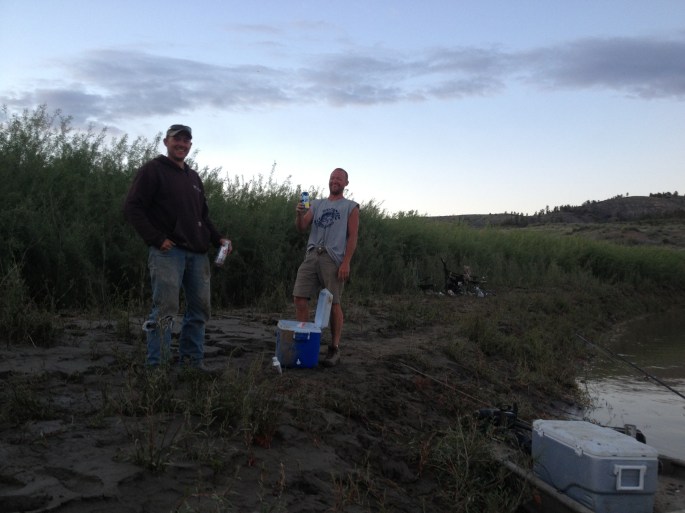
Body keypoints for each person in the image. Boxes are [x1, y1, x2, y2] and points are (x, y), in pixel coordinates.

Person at [124, 124, 230, 370]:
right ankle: (157, 368)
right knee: (165, 310)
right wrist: (156, 238)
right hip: (168, 253)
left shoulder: (193, 177)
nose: (181, 144)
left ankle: (192, 365)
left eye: (186, 141)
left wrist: (218, 239)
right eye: (176, 139)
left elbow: (202, 217)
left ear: (190, 145)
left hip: (198, 255)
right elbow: (132, 207)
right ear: (166, 142)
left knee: (200, 311)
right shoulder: (152, 170)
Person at [292, 168, 360, 367]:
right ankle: (304, 342)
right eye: (332, 178)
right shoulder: (316, 204)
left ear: (346, 183)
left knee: (333, 303)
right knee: (299, 298)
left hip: (333, 258)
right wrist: (299, 214)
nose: (334, 180)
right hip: (312, 255)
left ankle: (334, 348)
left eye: (339, 178)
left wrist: (346, 262)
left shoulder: (351, 207)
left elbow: (353, 237)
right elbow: (302, 227)